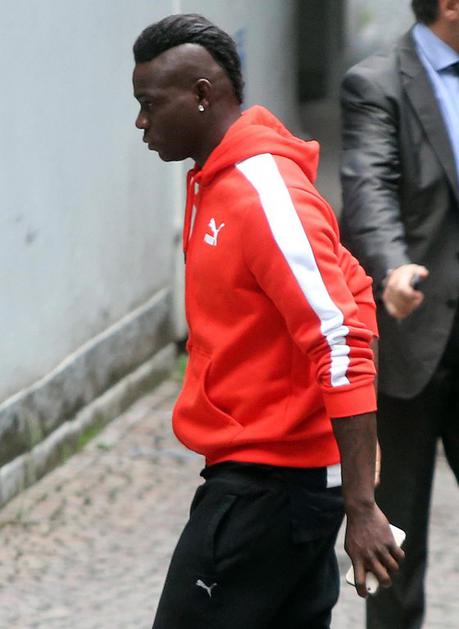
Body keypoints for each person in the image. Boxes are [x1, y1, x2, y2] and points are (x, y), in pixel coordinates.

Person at [132, 14, 403, 629]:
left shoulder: (263, 194)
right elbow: (355, 289)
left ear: (203, 95)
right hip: (277, 482)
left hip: (268, 489)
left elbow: (341, 335)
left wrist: (361, 503)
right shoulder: (215, 181)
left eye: (150, 104)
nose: (141, 122)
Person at [340, 1, 459, 627]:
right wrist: (392, 270)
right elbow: (370, 188)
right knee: (394, 540)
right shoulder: (376, 82)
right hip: (412, 336)